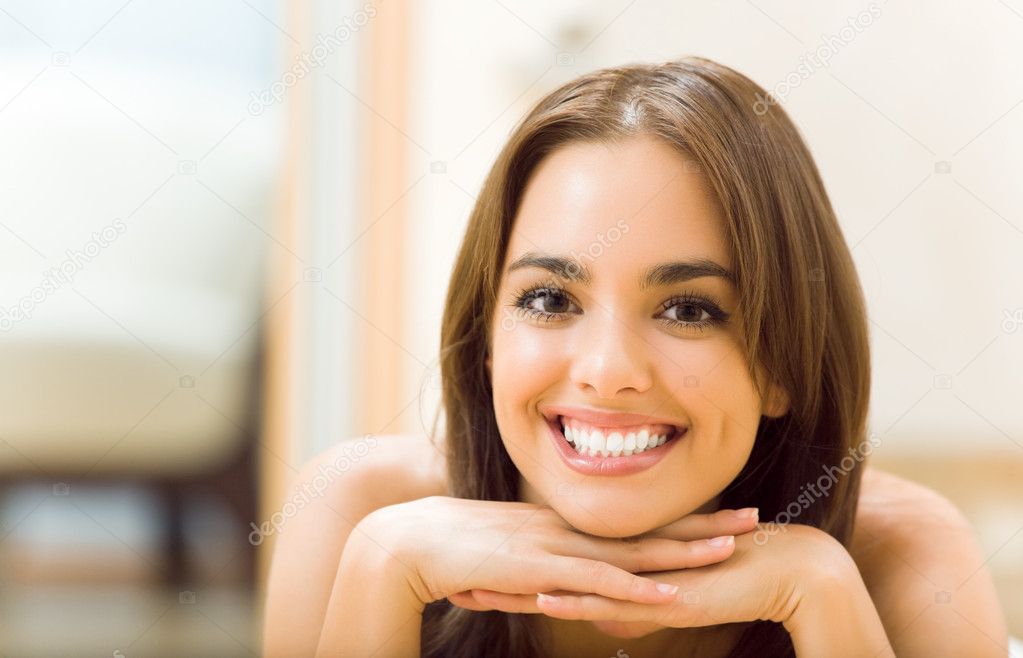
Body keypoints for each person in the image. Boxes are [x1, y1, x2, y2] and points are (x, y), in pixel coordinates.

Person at [263, 57, 1008, 657]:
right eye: (550, 300)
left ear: (782, 362)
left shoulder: (900, 552)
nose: (607, 369)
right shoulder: (361, 513)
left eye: (688, 310)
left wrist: (823, 595)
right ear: (487, 339)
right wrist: (384, 570)